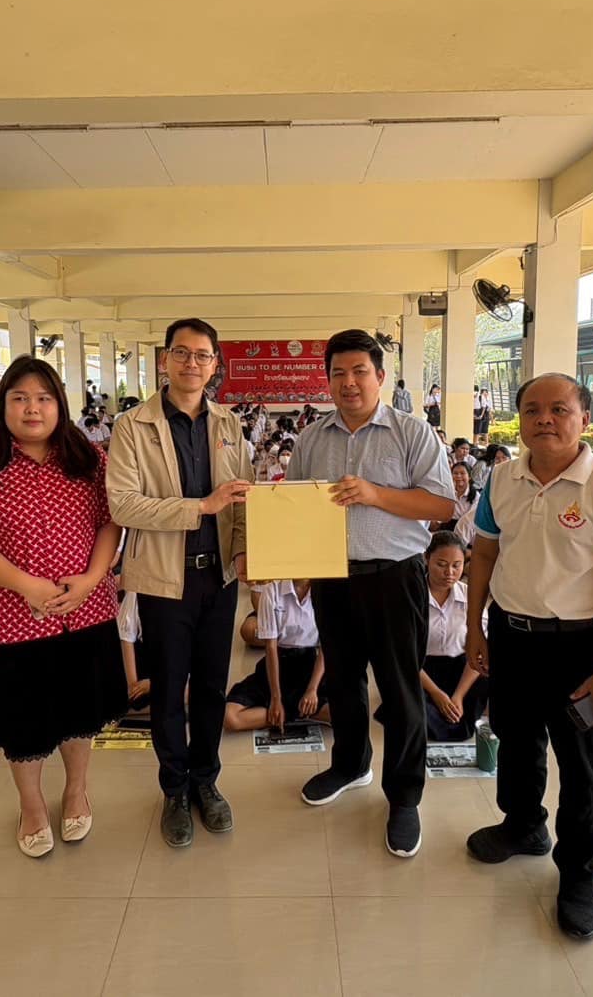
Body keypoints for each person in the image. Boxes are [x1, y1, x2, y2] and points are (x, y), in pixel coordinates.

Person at [463, 372, 593, 941]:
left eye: (558, 409)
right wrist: (476, 629)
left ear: (584, 419)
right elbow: (484, 556)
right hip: (512, 635)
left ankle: (578, 870)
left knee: (583, 764)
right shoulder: (501, 479)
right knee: (516, 739)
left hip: (583, 647)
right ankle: (524, 825)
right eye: (531, 410)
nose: (544, 419)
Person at [0, 355, 126, 859]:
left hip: (85, 610)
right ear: (3, 407)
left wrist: (92, 578)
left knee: (80, 710)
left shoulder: (89, 460)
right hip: (10, 620)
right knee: (24, 719)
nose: (32, 408)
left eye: (43, 398)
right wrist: (26, 586)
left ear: (59, 405)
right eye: (19, 398)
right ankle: (32, 804)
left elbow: (111, 522)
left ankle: (76, 790)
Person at [287, 329, 455, 859]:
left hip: (395, 577)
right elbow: (293, 506)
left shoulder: (411, 432)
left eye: (360, 371)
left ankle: (404, 796)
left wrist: (375, 494)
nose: (349, 382)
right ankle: (350, 764)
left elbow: (442, 506)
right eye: (338, 373)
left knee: (401, 689)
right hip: (332, 578)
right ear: (328, 381)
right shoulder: (312, 439)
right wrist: (292, 564)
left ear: (380, 377)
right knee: (342, 679)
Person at [106, 318, 253, 849]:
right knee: (168, 688)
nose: (193, 363)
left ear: (215, 366)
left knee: (212, 686)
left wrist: (243, 548)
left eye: (203, 355)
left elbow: (244, 497)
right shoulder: (132, 426)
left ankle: (206, 781)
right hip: (163, 580)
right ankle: (173, 788)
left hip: (220, 576)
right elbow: (123, 504)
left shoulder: (229, 423)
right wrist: (201, 507)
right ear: (164, 360)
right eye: (182, 353)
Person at [224, 579, 329, 732]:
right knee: (230, 717)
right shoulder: (272, 589)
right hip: (279, 665)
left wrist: (312, 690)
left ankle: (289, 713)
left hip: (310, 667)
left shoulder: (324, 590)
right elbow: (271, 647)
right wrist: (276, 699)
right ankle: (297, 712)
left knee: (349, 712)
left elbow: (327, 646)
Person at [420, 532, 489, 742]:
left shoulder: (471, 597)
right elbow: (404, 655)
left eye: (456, 565)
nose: (449, 572)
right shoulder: (412, 597)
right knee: (412, 708)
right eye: (441, 564)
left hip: (462, 672)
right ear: (426, 558)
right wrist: (436, 694)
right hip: (422, 673)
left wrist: (458, 695)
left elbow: (478, 653)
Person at [433, 461, 479, 546]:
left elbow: (469, 523)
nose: (458, 476)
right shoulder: (445, 492)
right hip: (444, 528)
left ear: (469, 476)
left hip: (465, 533)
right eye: (455, 473)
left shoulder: (476, 497)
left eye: (462, 473)